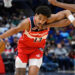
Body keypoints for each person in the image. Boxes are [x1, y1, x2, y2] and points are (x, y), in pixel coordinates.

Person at [0, 6, 75, 75]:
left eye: (44, 20)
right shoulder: (27, 23)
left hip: (37, 49)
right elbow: (15, 30)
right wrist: (1, 36)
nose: (41, 21)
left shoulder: (49, 20)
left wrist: (72, 19)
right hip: (23, 49)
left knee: (33, 72)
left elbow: (66, 14)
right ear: (36, 15)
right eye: (39, 18)